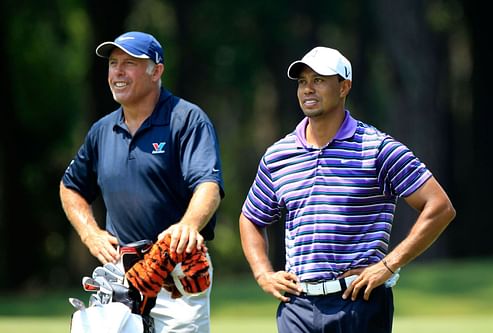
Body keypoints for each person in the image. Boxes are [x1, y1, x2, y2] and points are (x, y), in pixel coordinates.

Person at [239, 46, 455, 333]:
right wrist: (263, 273)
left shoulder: (377, 148)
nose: (308, 90)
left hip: (357, 302)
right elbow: (251, 218)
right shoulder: (279, 155)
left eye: (319, 80)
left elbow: (439, 207)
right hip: (297, 307)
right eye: (303, 82)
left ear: (344, 87)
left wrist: (388, 265)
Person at [60, 31, 224, 333]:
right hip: (120, 274)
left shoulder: (187, 119)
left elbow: (208, 186)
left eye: (129, 63)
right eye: (113, 63)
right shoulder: (102, 130)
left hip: (177, 275)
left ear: (157, 70)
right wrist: (90, 233)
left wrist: (187, 225)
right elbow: (71, 187)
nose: (118, 72)